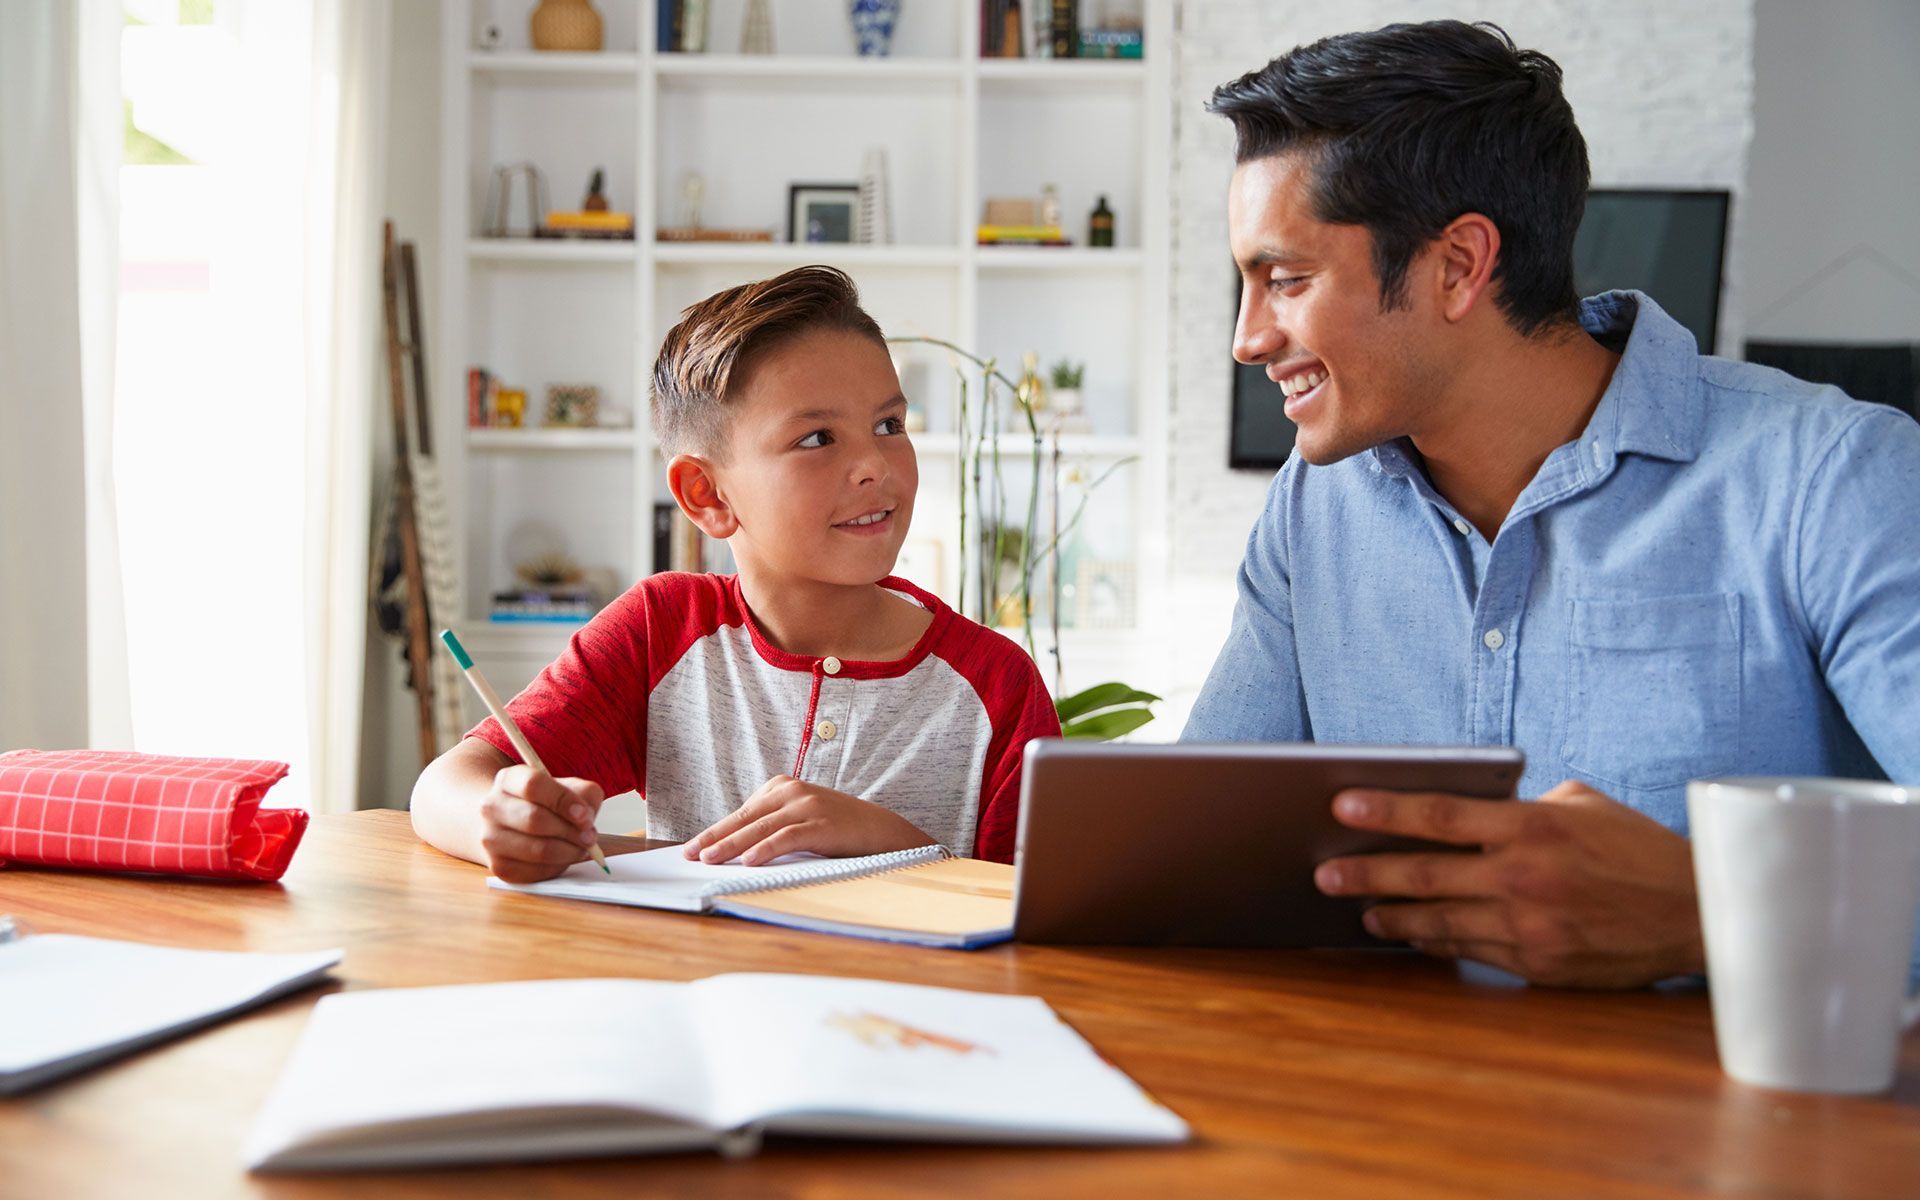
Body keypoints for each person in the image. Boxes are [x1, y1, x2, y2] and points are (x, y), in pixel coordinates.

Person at [1186, 20, 1920, 988]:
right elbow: (1196, 855)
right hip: (1392, 1107)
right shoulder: (1314, 506)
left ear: (1457, 265)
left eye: (1286, 281)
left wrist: (1718, 915)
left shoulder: (1831, 475)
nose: (1248, 338)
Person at [411, 266, 1059, 882]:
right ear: (706, 495)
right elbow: (446, 785)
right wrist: (498, 821)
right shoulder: (659, 631)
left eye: (889, 424)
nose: (875, 465)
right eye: (817, 439)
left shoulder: (996, 687)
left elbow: (1043, 915)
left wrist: (888, 843)